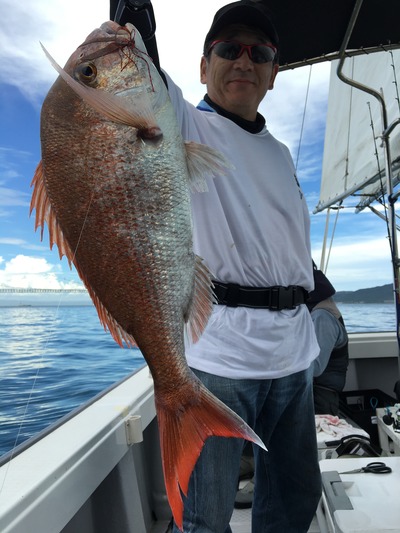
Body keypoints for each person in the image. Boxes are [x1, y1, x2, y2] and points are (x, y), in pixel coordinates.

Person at [112, 1, 322, 531]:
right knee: (207, 517)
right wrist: (132, 17)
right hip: (221, 359)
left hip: (294, 356)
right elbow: (137, 70)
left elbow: (284, 239)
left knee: (295, 501)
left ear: (274, 74)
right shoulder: (182, 122)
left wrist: (323, 295)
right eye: (229, 49)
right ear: (204, 68)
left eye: (260, 53)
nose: (244, 61)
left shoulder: (280, 152)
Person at [307, 264, 349, 416]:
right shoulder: (320, 311)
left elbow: (316, 367)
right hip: (318, 392)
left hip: (321, 396)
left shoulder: (322, 316)